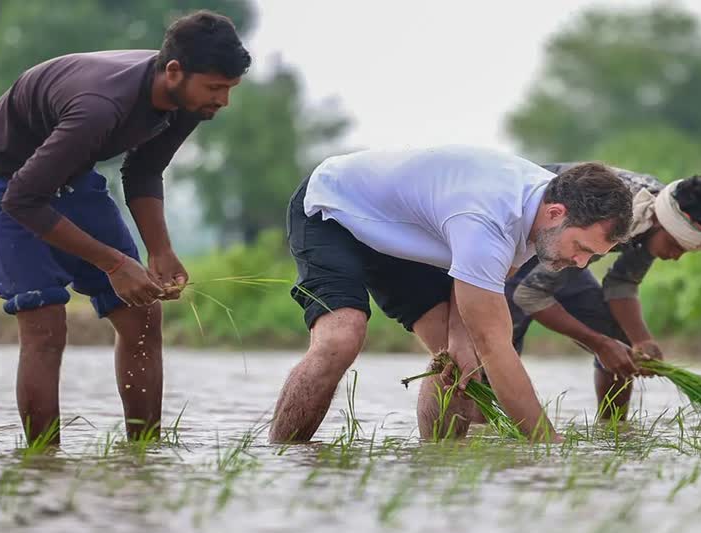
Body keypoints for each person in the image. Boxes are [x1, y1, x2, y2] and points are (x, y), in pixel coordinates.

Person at [0, 11, 251, 444]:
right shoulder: (100, 107)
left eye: (229, 89)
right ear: (173, 71)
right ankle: (43, 463)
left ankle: (144, 453)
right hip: (5, 177)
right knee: (45, 325)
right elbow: (22, 199)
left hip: (70, 173)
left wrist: (159, 250)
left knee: (142, 314)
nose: (223, 101)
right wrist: (114, 263)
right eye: (215, 88)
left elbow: (143, 171)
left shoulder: (189, 102)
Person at [269, 146, 634, 443]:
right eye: (582, 247)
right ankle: (284, 457)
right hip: (335, 212)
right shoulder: (488, 219)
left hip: (412, 236)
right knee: (342, 336)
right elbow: (497, 347)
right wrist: (548, 445)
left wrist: (461, 339)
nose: (582, 263)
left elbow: (479, 304)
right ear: (557, 213)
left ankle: (441, 468)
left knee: (461, 360)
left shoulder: (543, 214)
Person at [506, 164, 701, 421]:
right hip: (526, 241)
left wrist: (641, 341)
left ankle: (612, 430)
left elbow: (621, 283)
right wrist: (600, 344)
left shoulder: (656, 215)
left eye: (683, 251)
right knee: (497, 350)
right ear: (663, 224)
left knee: (619, 340)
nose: (674, 256)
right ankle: (480, 430)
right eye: (674, 245)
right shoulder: (625, 215)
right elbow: (531, 294)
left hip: (571, 255)